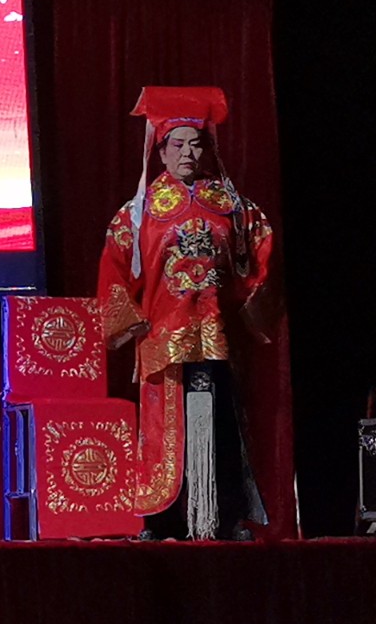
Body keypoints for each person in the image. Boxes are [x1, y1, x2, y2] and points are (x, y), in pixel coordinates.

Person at [97, 87, 277, 541]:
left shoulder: (232, 207)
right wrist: (131, 321)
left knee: (221, 427)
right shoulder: (140, 212)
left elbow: (259, 253)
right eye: (177, 144)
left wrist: (249, 301)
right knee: (164, 434)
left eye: (195, 144)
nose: (187, 153)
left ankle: (227, 517)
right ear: (160, 151)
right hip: (165, 339)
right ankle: (162, 521)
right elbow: (115, 267)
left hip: (216, 337)